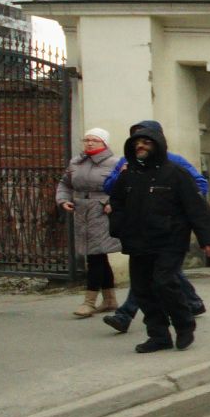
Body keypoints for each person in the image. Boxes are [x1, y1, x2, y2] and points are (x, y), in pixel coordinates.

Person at [107, 121, 210, 353]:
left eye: (146, 142)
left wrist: (208, 239)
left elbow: (196, 208)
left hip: (170, 240)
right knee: (142, 290)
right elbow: (115, 202)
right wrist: (118, 225)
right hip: (137, 241)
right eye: (137, 143)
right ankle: (158, 335)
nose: (141, 146)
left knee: (165, 282)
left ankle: (184, 325)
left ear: (157, 145)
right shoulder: (128, 176)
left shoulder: (175, 174)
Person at [57, 128, 121, 317]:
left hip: (102, 211)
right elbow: (64, 183)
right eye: (87, 139)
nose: (90, 143)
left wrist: (112, 202)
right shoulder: (76, 162)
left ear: (105, 143)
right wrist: (63, 199)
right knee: (98, 256)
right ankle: (110, 299)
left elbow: (124, 187)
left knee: (95, 256)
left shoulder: (115, 163)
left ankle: (89, 302)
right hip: (81, 211)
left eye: (95, 140)